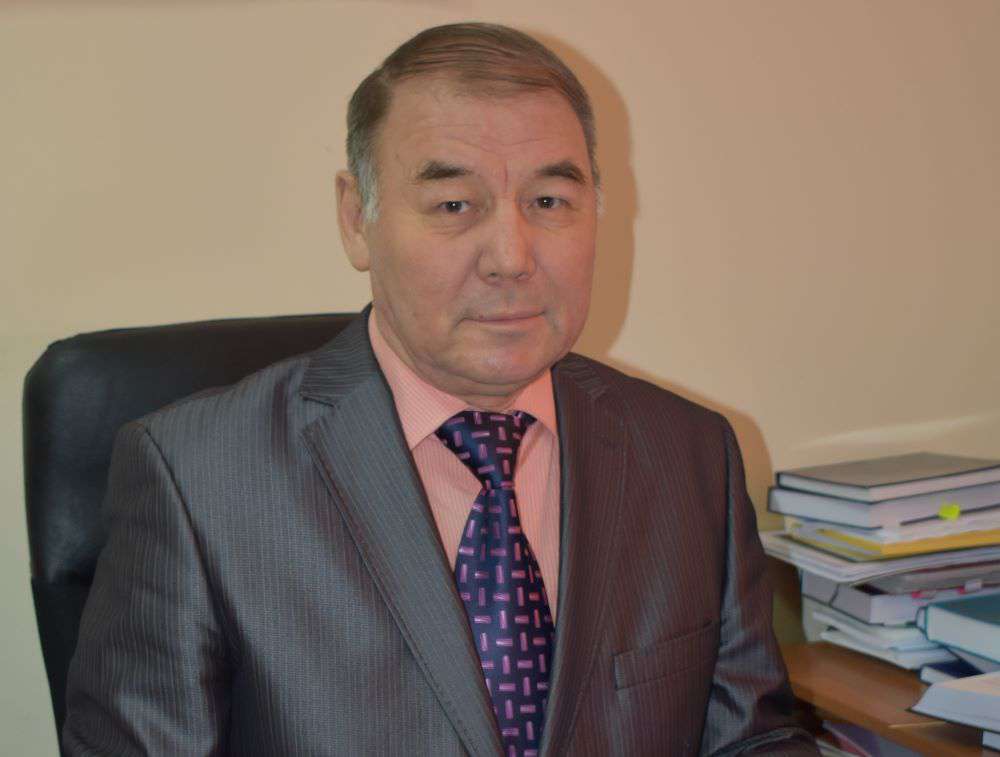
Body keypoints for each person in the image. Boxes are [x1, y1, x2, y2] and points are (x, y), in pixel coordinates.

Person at [64, 22, 818, 756]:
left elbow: (753, 735)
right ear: (356, 220)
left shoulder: (690, 453)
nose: (511, 257)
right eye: (455, 205)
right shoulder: (196, 478)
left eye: (549, 202)